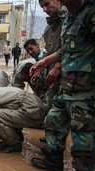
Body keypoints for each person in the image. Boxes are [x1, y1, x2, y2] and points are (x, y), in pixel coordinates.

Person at [30, 0, 95, 171]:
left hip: (86, 90)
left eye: (47, 3)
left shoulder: (90, 10)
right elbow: (64, 50)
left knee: (83, 136)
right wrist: (45, 62)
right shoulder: (69, 18)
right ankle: (55, 160)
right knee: (53, 119)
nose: (45, 9)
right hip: (67, 87)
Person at [37, 0, 68, 145]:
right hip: (54, 81)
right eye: (42, 6)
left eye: (47, 4)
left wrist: (58, 65)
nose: (44, 9)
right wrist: (39, 66)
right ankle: (53, 143)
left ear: (57, 1)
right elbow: (48, 53)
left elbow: (72, 48)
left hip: (73, 78)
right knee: (52, 111)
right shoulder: (49, 30)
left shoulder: (72, 19)